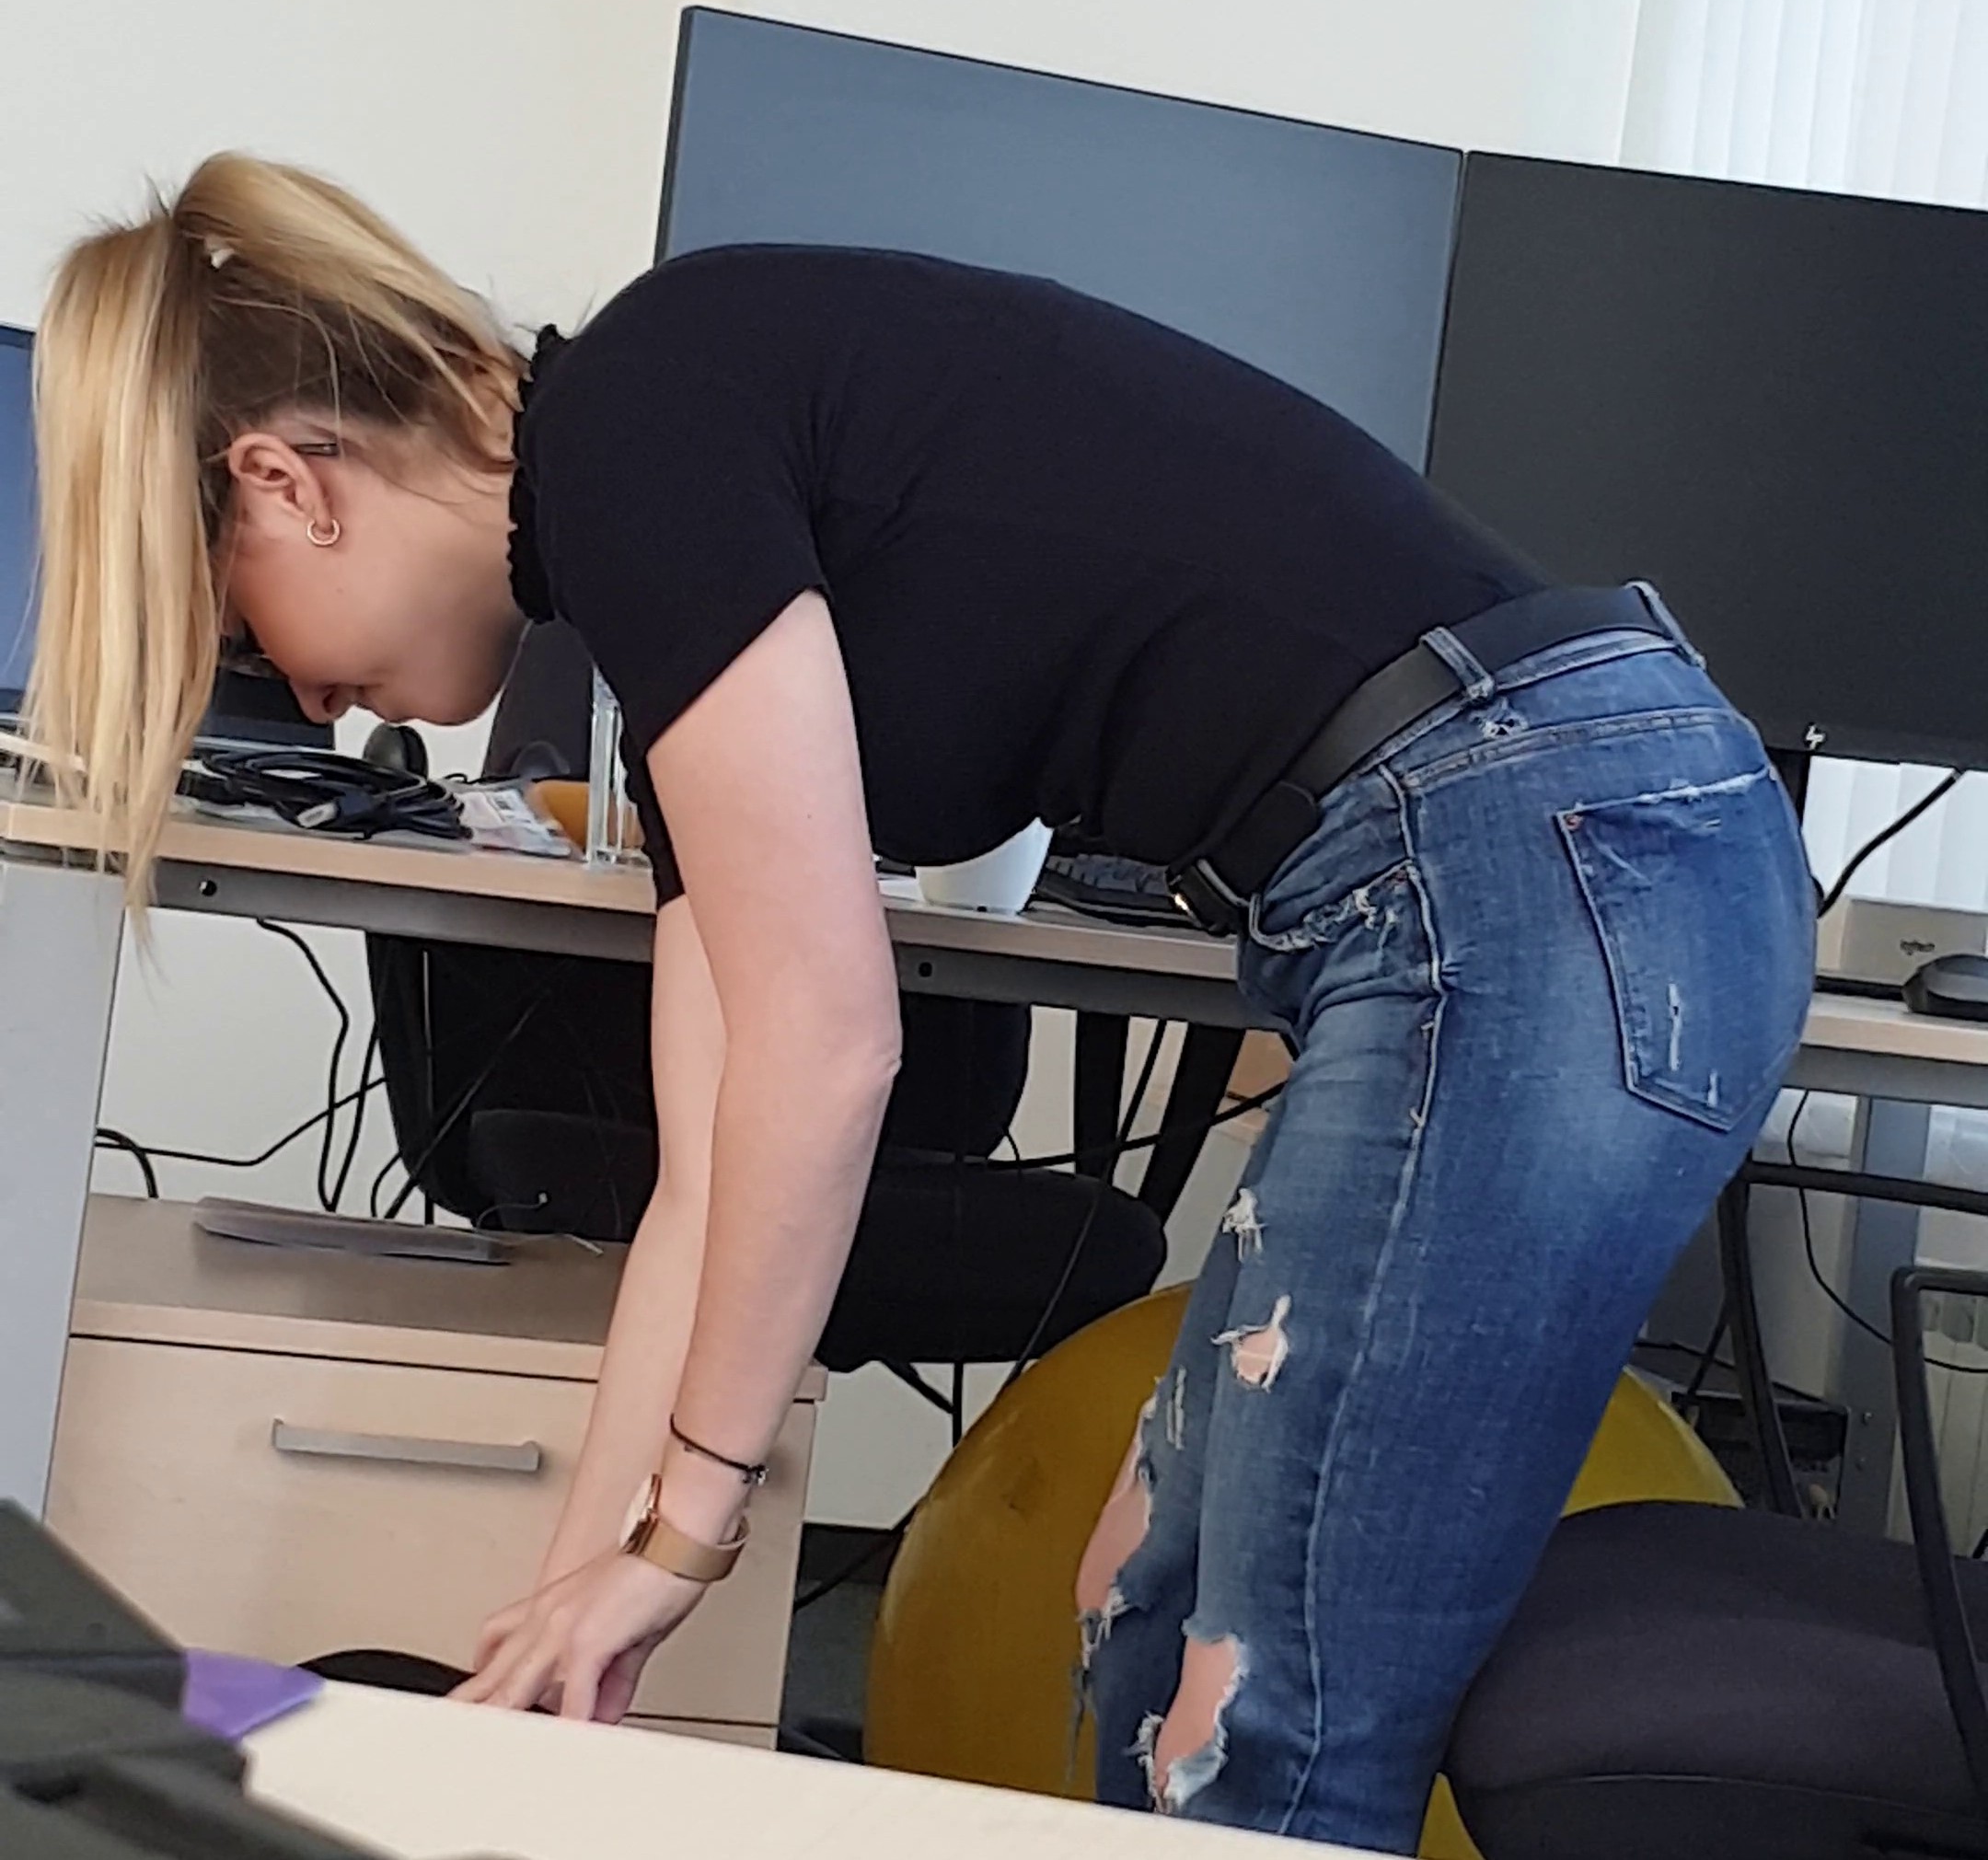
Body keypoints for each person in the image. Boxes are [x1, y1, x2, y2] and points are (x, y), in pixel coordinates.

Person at [29, 153, 1814, 1856]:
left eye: (243, 632)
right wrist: (572, 1615)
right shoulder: (661, 550)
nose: (313, 705)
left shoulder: (639, 423)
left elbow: (829, 1050)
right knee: (1147, 1614)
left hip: (1543, 854)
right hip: (1511, 859)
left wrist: (686, 1527)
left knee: (1260, 1716)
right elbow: (711, 1172)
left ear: (287, 483)